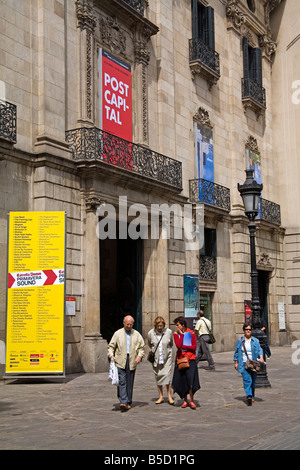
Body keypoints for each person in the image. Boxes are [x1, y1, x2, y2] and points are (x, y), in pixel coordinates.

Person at [108, 315, 145, 412]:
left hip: (132, 360)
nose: (129, 326)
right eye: (127, 324)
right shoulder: (118, 333)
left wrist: (139, 356)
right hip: (120, 360)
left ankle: (128, 401)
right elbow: (111, 346)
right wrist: (111, 355)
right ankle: (123, 402)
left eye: (130, 324)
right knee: (122, 381)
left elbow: (142, 347)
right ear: (123, 323)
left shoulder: (136, 334)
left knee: (129, 381)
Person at [172, 316, 200, 409]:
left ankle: (191, 400)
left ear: (182, 325)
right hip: (181, 360)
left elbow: (194, 347)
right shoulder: (176, 334)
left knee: (190, 380)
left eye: (178, 325)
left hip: (190, 359)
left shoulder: (191, 333)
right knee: (183, 380)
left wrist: (185, 346)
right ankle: (185, 400)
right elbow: (178, 345)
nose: (176, 327)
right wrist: (181, 335)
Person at [233, 323, 264, 406]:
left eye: (250, 329)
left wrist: (261, 357)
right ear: (244, 331)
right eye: (247, 329)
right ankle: (249, 395)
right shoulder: (240, 340)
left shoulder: (255, 341)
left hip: (253, 363)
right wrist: (236, 362)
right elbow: (236, 352)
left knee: (253, 381)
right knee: (247, 380)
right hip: (243, 363)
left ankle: (252, 395)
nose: (248, 331)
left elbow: (259, 349)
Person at [148, 316, 174, 405]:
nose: (160, 327)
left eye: (161, 326)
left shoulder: (169, 332)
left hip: (167, 358)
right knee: (158, 376)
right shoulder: (150, 333)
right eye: (158, 326)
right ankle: (161, 396)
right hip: (156, 359)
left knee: (167, 376)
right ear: (155, 325)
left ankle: (169, 396)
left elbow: (171, 344)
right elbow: (149, 344)